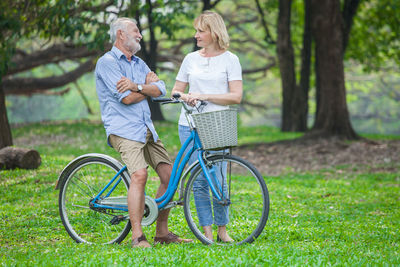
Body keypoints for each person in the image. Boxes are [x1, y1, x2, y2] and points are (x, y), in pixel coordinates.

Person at [95, 17, 191, 248]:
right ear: (120, 34)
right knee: (139, 174)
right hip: (123, 129)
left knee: (170, 176)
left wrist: (137, 86)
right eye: (135, 31)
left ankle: (161, 232)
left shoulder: (138, 63)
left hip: (146, 128)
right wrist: (147, 88)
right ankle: (137, 236)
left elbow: (161, 89)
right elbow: (126, 99)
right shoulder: (107, 62)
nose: (139, 35)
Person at [171, 11, 243, 242]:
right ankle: (207, 231)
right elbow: (176, 91)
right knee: (199, 179)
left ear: (214, 32)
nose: (196, 35)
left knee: (219, 180)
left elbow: (236, 97)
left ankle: (223, 230)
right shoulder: (190, 59)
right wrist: (186, 97)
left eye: (201, 31)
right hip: (190, 125)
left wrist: (204, 96)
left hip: (217, 125)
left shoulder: (230, 59)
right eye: (197, 31)